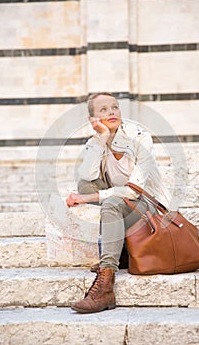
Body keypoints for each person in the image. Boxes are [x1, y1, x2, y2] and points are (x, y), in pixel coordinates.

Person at [66, 92, 167, 314]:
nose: (111, 112)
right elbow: (86, 176)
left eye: (114, 107)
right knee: (87, 185)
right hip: (121, 203)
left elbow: (134, 190)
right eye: (103, 110)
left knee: (109, 201)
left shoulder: (140, 136)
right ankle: (120, 250)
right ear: (93, 120)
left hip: (146, 205)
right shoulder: (95, 141)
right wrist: (102, 138)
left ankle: (105, 285)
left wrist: (90, 199)